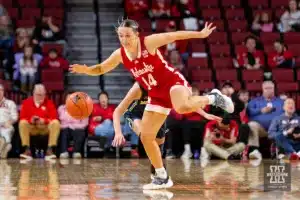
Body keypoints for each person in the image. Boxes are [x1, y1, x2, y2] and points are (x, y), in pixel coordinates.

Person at [70, 19, 234, 190]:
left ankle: (213, 97)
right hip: (155, 94)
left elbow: (174, 35)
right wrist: (87, 70)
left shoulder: (148, 42)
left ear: (136, 35)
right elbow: (101, 68)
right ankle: (162, 177)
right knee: (147, 137)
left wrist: (199, 34)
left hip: (172, 83)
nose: (124, 39)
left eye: (128, 35)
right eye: (121, 36)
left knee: (181, 107)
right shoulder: (120, 54)